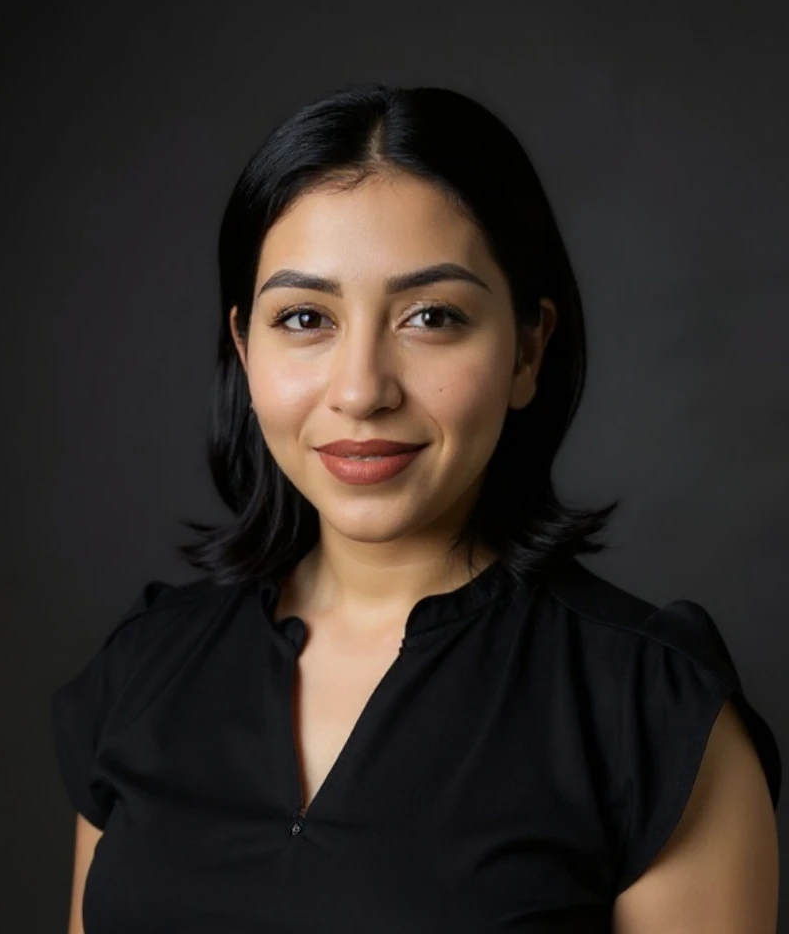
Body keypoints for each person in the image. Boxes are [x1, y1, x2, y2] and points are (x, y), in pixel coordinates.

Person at [51, 83, 782, 933]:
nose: (362, 389)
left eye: (432, 316)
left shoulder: (651, 715)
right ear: (244, 349)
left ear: (528, 349)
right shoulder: (141, 672)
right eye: (305, 318)